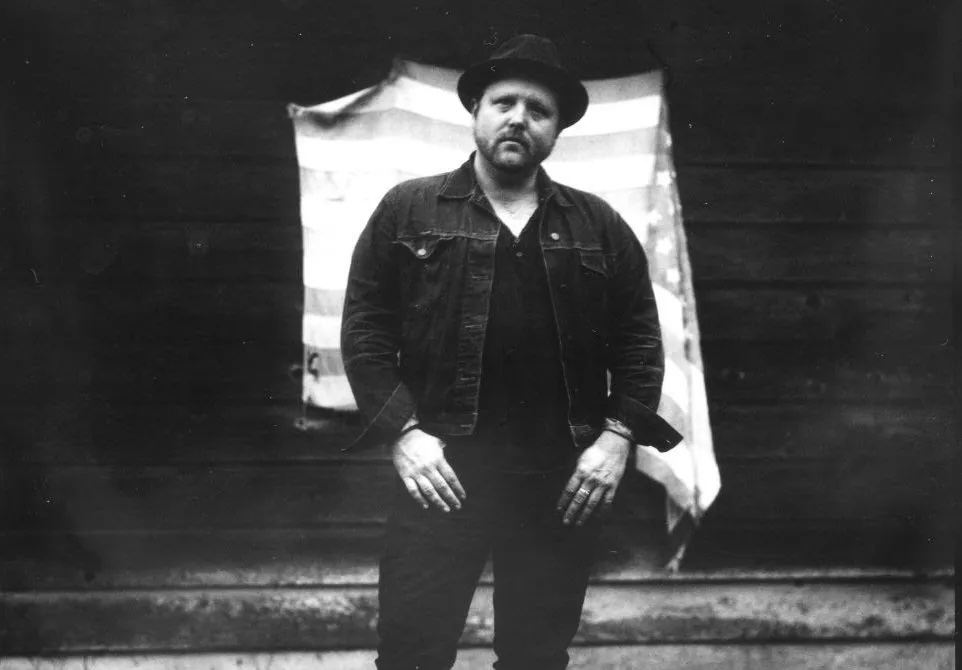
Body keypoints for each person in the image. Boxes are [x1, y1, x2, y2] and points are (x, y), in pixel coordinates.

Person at [341, 34, 682, 670]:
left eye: (538, 110)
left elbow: (640, 340)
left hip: (559, 480)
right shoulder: (409, 209)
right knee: (412, 653)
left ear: (557, 130)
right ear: (476, 111)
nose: (519, 119)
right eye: (504, 103)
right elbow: (366, 330)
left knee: (536, 656)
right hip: (442, 474)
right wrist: (405, 433)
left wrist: (615, 440)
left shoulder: (598, 225)